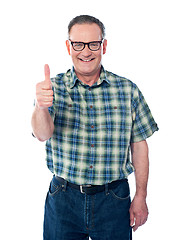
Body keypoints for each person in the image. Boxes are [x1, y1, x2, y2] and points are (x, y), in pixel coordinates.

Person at [31, 15, 159, 240]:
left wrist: (141, 195)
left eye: (93, 44)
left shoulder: (128, 90)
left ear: (104, 45)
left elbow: (139, 147)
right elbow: (42, 134)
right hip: (63, 199)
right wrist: (41, 107)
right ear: (68, 46)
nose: (86, 52)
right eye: (78, 44)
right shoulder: (52, 89)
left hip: (114, 199)